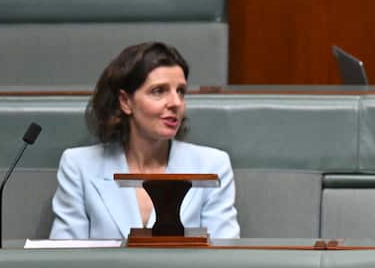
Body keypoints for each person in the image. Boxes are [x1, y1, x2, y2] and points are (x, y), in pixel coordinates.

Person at [49, 41, 240, 239]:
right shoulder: (79, 166)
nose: (176, 103)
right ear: (125, 101)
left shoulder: (212, 165)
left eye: (181, 91)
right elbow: (64, 256)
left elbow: (224, 255)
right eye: (159, 91)